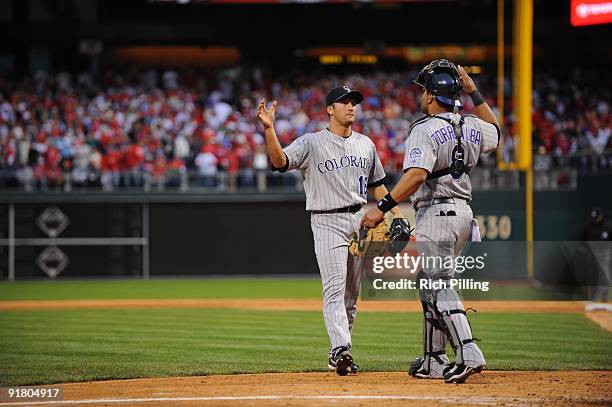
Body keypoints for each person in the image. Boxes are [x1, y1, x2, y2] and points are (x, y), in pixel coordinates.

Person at [361, 59, 500, 383]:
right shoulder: (473, 125)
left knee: (437, 282)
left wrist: (381, 207)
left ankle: (467, 350)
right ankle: (433, 358)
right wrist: (474, 91)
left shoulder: (424, 128)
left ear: (431, 97)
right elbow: (496, 132)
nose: (422, 95)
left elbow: (417, 175)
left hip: (437, 213)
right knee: (428, 280)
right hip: (463, 212)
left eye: (425, 90)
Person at [257, 86, 407, 376]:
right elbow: (279, 162)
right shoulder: (312, 142)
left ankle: (339, 352)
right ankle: (341, 348)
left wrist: (396, 215)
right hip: (326, 220)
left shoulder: (366, 144)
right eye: (344, 102)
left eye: (354, 103)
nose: (351, 107)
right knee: (335, 289)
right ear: (329, 109)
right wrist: (269, 129)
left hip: (359, 221)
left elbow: (378, 185)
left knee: (351, 297)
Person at [580, 206, 611, 306]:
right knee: (592, 277)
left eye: (596, 217)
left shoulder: (608, 226)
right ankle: (592, 300)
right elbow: (581, 239)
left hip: (604, 254)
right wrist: (584, 249)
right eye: (593, 217)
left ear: (600, 216)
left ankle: (604, 299)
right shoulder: (587, 226)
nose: (595, 219)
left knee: (605, 276)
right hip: (591, 254)